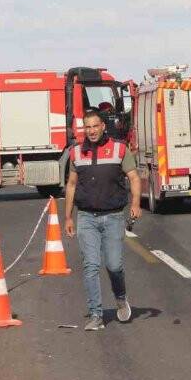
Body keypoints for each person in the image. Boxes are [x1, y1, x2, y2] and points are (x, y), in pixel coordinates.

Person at [64, 109, 142, 331]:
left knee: (114, 265)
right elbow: (71, 185)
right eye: (87, 127)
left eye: (95, 126)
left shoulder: (119, 149)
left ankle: (120, 297)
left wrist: (135, 203)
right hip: (86, 217)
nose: (91, 131)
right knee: (90, 265)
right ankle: (96, 314)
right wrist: (68, 216)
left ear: (103, 126)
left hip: (113, 217)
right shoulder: (77, 153)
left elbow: (134, 177)